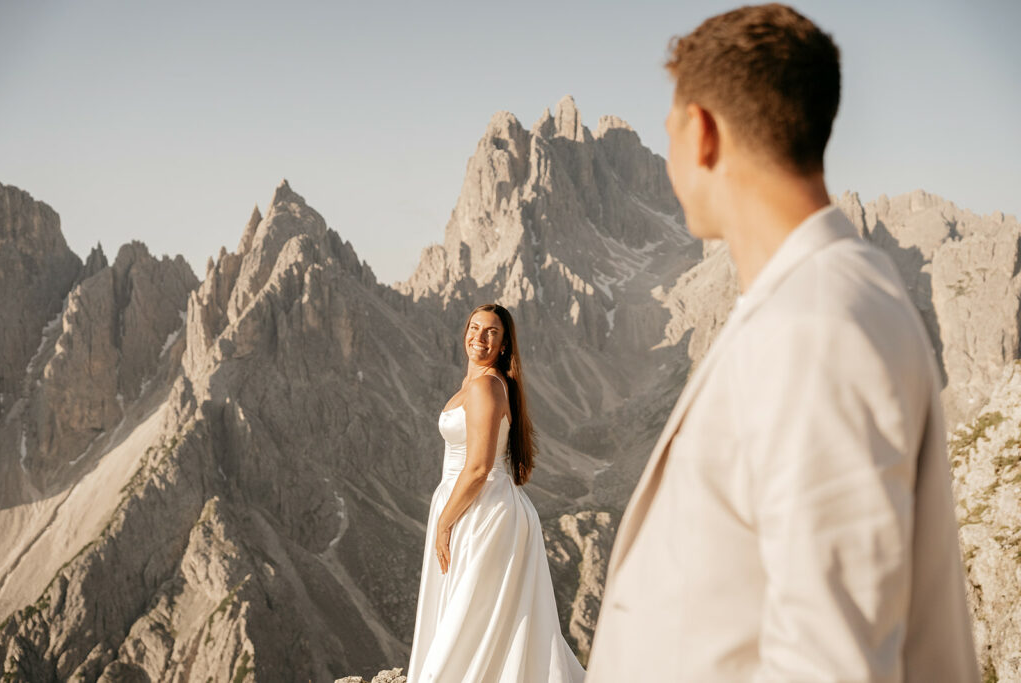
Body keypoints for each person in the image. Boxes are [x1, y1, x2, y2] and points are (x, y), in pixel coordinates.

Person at [586, 4, 979, 682]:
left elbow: (829, 661)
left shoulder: (818, 327)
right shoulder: (821, 297)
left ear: (702, 132)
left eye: (670, 131)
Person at [406, 303, 585, 683]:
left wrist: (444, 522)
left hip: (481, 510)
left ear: (504, 345)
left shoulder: (486, 386)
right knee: (483, 615)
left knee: (472, 615)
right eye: (474, 327)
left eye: (492, 332)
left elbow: (478, 468)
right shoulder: (479, 384)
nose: (480, 337)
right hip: (477, 505)